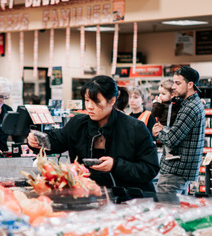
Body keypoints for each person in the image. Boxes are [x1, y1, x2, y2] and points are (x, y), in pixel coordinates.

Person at [27, 75, 160, 195]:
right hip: (88, 197)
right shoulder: (78, 124)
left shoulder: (135, 128)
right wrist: (37, 142)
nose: (89, 107)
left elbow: (150, 168)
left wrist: (116, 165)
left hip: (129, 200)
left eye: (96, 102)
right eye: (87, 100)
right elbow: (56, 140)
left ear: (112, 101)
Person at [152, 66, 206, 195]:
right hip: (179, 171)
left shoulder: (190, 107)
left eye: (178, 83)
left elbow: (171, 139)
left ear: (190, 85)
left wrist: (158, 132)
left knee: (167, 212)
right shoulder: (189, 103)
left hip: (174, 172)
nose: (173, 87)